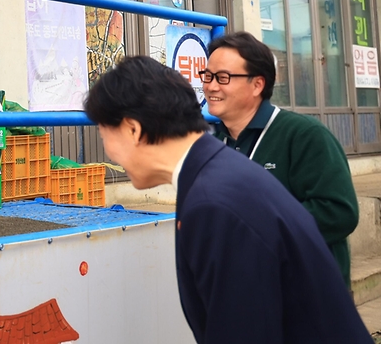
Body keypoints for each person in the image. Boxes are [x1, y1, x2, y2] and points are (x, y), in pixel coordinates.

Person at [83, 56, 371, 343]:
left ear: (134, 129)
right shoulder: (217, 173)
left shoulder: (213, 203)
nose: (108, 152)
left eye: (103, 135)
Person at [203, 31, 359, 285]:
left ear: (257, 84)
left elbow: (340, 213)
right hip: (247, 296)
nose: (210, 86)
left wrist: (253, 224)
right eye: (207, 76)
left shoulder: (304, 135)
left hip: (309, 301)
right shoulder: (213, 144)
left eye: (223, 77)